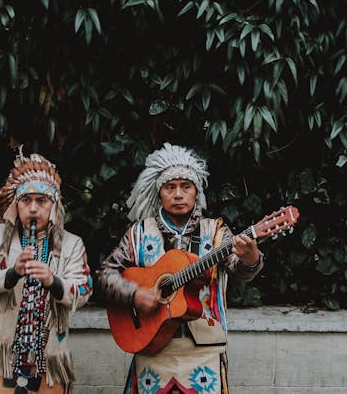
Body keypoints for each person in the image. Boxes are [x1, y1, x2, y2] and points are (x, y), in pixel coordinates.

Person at [97, 143, 263, 393]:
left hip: (204, 353)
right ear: (158, 193)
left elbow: (238, 269)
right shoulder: (138, 234)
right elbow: (105, 277)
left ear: (196, 192)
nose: (178, 194)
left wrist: (251, 259)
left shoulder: (216, 232)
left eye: (186, 186)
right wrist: (134, 294)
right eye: (170, 187)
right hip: (152, 347)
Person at [0, 150, 93, 393]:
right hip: (1, 353)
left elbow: (85, 289)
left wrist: (53, 281)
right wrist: (12, 273)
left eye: (42, 201)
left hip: (49, 358)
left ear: (54, 205)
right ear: (16, 205)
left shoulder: (71, 244)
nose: (33, 209)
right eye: (26, 201)